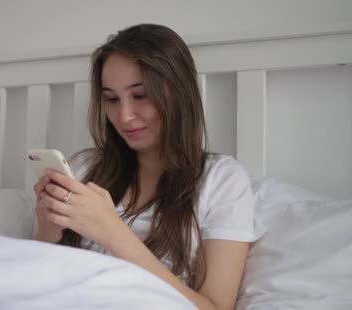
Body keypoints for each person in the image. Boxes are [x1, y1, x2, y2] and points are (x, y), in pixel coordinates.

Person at [33, 23, 263, 310]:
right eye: (112, 99)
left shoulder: (222, 180)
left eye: (140, 95)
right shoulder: (85, 167)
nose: (124, 116)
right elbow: (37, 276)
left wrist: (113, 233)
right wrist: (47, 228)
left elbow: (214, 308)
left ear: (179, 93)